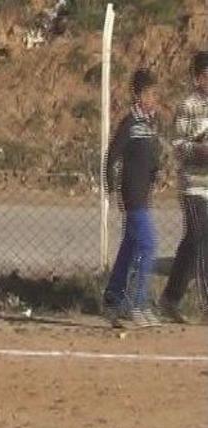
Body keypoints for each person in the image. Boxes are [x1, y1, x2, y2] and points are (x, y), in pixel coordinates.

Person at [103, 68, 162, 328]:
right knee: (148, 244)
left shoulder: (150, 124)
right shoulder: (130, 123)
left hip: (144, 194)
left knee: (130, 245)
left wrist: (156, 172)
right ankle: (135, 304)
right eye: (148, 94)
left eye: (155, 93)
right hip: (132, 194)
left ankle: (113, 297)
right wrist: (111, 187)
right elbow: (113, 155)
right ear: (138, 95)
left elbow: (151, 157)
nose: (153, 98)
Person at [159, 51, 208, 323]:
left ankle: (170, 298)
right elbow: (178, 146)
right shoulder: (188, 106)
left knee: (194, 242)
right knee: (200, 238)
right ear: (197, 77)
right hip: (193, 186)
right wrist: (202, 152)